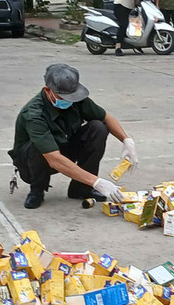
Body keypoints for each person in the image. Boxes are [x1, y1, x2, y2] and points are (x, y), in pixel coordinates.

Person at [9, 63, 136, 210]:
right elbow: (53, 158)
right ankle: (37, 190)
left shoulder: (75, 100)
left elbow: (105, 117)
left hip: (63, 147)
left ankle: (81, 188)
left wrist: (127, 140)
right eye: (63, 96)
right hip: (34, 162)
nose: (69, 100)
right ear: (47, 91)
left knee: (98, 128)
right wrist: (97, 182)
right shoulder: (34, 114)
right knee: (37, 146)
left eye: (71, 96)